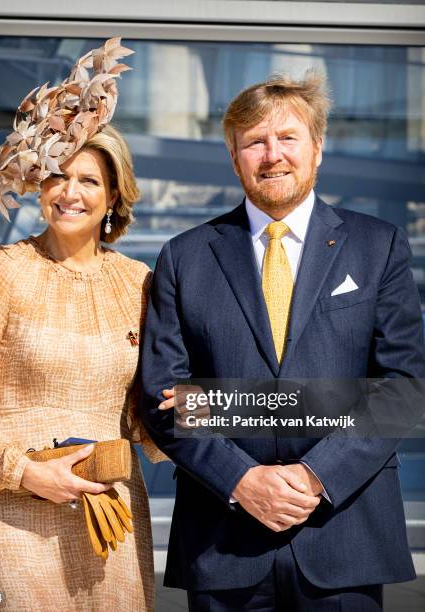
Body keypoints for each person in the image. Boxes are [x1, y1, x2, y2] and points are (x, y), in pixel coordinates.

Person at [140, 71, 425, 611]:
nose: (272, 154)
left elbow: (402, 385)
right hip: (224, 542)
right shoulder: (185, 256)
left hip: (345, 535)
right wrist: (241, 479)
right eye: (255, 142)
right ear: (234, 156)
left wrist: (316, 476)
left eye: (287, 137)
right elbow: (164, 395)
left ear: (317, 149)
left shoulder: (377, 246)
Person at [0, 39, 164, 612]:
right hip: (16, 516)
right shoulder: (1, 270)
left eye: (89, 180)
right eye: (57, 177)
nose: (70, 192)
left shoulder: (140, 282)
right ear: (39, 188)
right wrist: (26, 474)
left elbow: (151, 411)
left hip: (112, 516)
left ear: (114, 196)